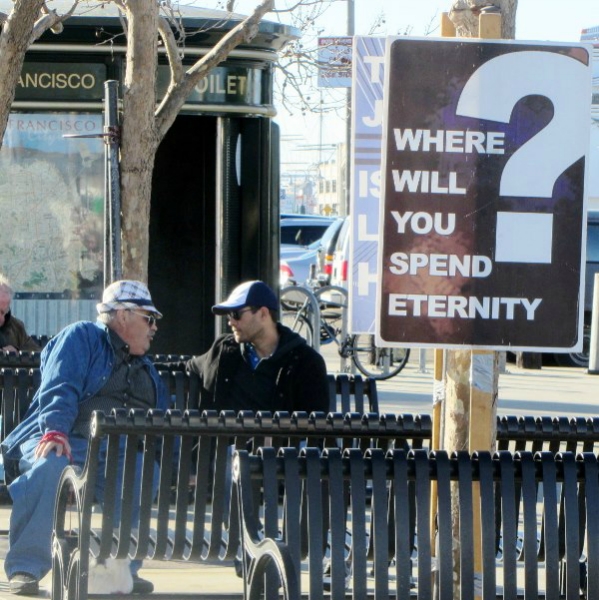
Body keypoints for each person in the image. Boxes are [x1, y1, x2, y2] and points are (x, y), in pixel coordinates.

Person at [0, 280, 168, 596]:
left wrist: (174, 461)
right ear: (123, 315)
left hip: (114, 449)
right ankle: (27, 566)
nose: (155, 327)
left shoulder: (144, 366)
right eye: (149, 318)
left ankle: (121, 567)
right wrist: (54, 429)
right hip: (66, 434)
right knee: (50, 465)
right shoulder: (82, 337)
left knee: (144, 470)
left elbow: (163, 420)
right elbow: (60, 386)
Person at [186, 280, 330, 415]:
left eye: (236, 314)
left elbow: (315, 427)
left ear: (263, 313)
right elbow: (188, 366)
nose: (231, 322)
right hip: (224, 441)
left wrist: (275, 438)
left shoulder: (306, 361)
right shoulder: (225, 349)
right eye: (228, 316)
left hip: (277, 442)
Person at [0, 276, 41, 353]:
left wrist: (17, 353)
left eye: (4, 312)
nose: (2, 318)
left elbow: (37, 354)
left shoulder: (16, 327)